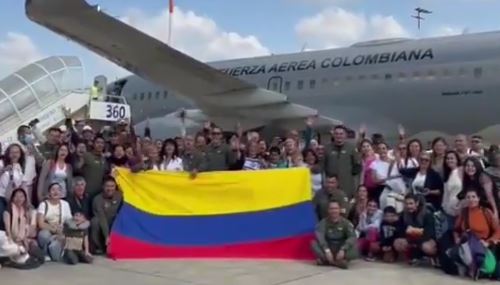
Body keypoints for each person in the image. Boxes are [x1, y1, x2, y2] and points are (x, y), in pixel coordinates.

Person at [311, 200, 358, 269]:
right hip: (328, 247)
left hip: (341, 248)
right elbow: (320, 237)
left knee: (355, 246)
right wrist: (327, 250)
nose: (334, 211)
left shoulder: (346, 223)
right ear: (328, 210)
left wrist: (343, 249)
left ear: (339, 210)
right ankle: (337, 263)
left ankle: (326, 261)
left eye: (336, 208)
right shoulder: (323, 223)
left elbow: (352, 236)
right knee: (313, 243)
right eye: (331, 208)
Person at [394, 194, 437, 265]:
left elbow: (430, 232)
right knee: (397, 243)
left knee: (427, 247)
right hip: (410, 238)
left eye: (411, 203)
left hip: (424, 239)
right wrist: (406, 232)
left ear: (416, 203)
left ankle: (431, 258)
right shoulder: (403, 214)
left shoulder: (427, 214)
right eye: (406, 204)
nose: (408, 206)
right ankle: (409, 257)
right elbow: (399, 230)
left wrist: (415, 232)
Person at [3, 188, 43, 261]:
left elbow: (24, 231)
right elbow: (8, 231)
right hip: (10, 239)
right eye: (16, 196)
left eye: (21, 197)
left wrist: (24, 242)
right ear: (12, 198)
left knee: (33, 244)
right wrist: (14, 242)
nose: (19, 199)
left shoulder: (23, 211)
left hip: (20, 239)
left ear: (25, 198)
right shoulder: (8, 211)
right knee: (20, 255)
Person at [37, 183, 73, 261]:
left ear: (61, 193)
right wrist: (54, 229)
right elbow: (41, 223)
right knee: (43, 235)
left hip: (61, 231)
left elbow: (69, 221)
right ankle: (45, 252)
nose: (56, 192)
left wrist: (64, 230)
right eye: (53, 190)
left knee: (55, 256)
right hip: (49, 230)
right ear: (49, 193)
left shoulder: (65, 204)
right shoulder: (43, 204)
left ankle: (60, 249)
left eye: (58, 190)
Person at [323, 125, 362, 198]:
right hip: (331, 186)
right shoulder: (327, 148)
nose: (339, 136)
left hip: (347, 186)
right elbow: (322, 165)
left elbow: (357, 166)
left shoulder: (351, 148)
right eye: (336, 134)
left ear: (345, 135)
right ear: (333, 135)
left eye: (341, 134)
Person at [90, 178, 122, 254]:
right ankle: (98, 247)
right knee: (95, 221)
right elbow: (101, 218)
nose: (110, 188)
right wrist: (107, 236)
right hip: (102, 224)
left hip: (115, 224)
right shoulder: (97, 199)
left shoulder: (120, 196)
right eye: (107, 186)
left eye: (112, 186)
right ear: (103, 187)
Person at [0, 144, 27, 224]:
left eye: (17, 152)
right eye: (12, 152)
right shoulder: (1, 163)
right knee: (1, 218)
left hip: (13, 198)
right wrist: (3, 170)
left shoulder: (20, 166)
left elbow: (22, 184)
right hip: (1, 195)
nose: (14, 154)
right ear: (8, 153)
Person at [441, 151, 464, 230]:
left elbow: (466, 188)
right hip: (448, 210)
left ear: (457, 160)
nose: (449, 160)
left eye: (452, 158)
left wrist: (460, 202)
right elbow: (446, 193)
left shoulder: (461, 170)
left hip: (461, 208)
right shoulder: (447, 173)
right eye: (447, 158)